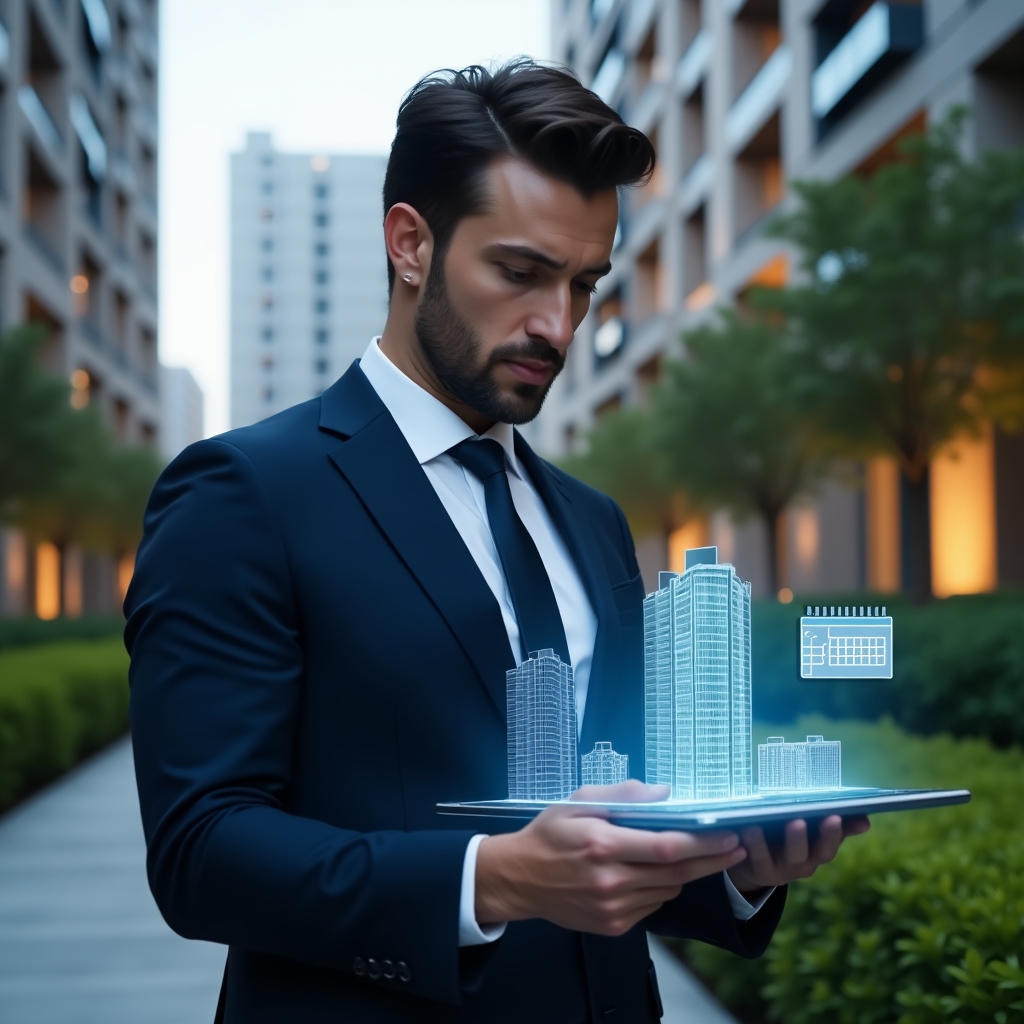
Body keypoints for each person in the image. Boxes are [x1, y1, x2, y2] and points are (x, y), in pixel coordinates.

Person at [126, 61, 867, 1024]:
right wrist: (491, 880)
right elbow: (200, 852)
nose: (556, 326)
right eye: (520, 273)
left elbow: (605, 834)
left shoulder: (592, 520)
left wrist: (740, 870)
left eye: (585, 284)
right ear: (409, 245)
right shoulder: (243, 492)